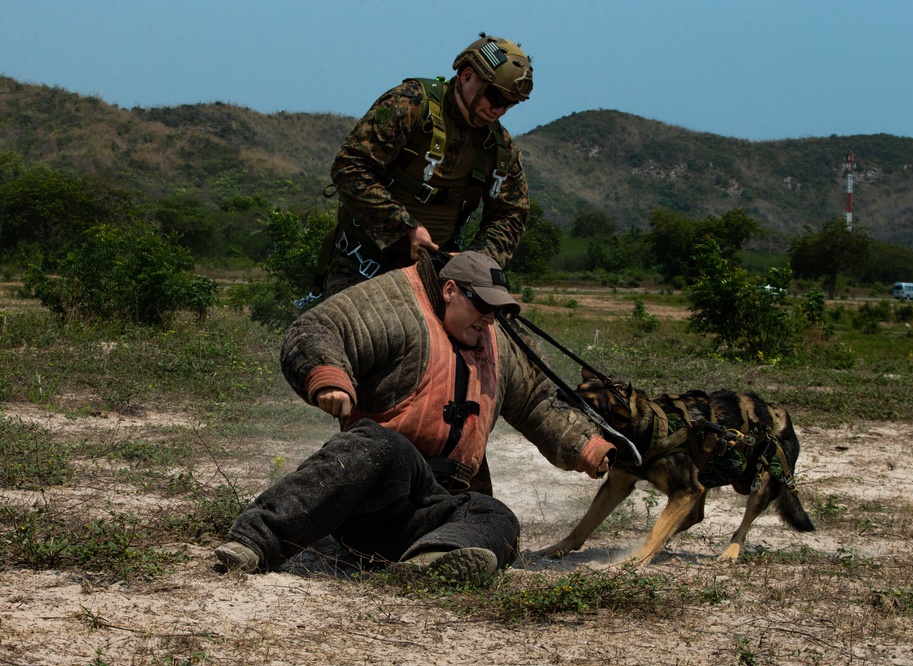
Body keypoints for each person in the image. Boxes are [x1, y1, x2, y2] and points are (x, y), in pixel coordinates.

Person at [216, 250, 616, 584]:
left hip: (432, 505)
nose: (489, 318)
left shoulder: (496, 338)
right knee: (380, 443)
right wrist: (327, 377)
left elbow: (535, 400)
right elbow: (318, 327)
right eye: (481, 305)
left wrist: (588, 446)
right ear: (449, 290)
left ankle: (431, 561)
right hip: (374, 487)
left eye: (495, 309)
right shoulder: (392, 303)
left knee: (497, 515)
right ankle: (254, 542)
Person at [312, 34, 533, 298]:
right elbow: (350, 167)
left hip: (437, 275)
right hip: (363, 265)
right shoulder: (409, 105)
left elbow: (510, 214)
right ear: (466, 76)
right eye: (496, 97)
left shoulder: (499, 147)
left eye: (510, 103)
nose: (500, 110)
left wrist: (472, 261)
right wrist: (405, 229)